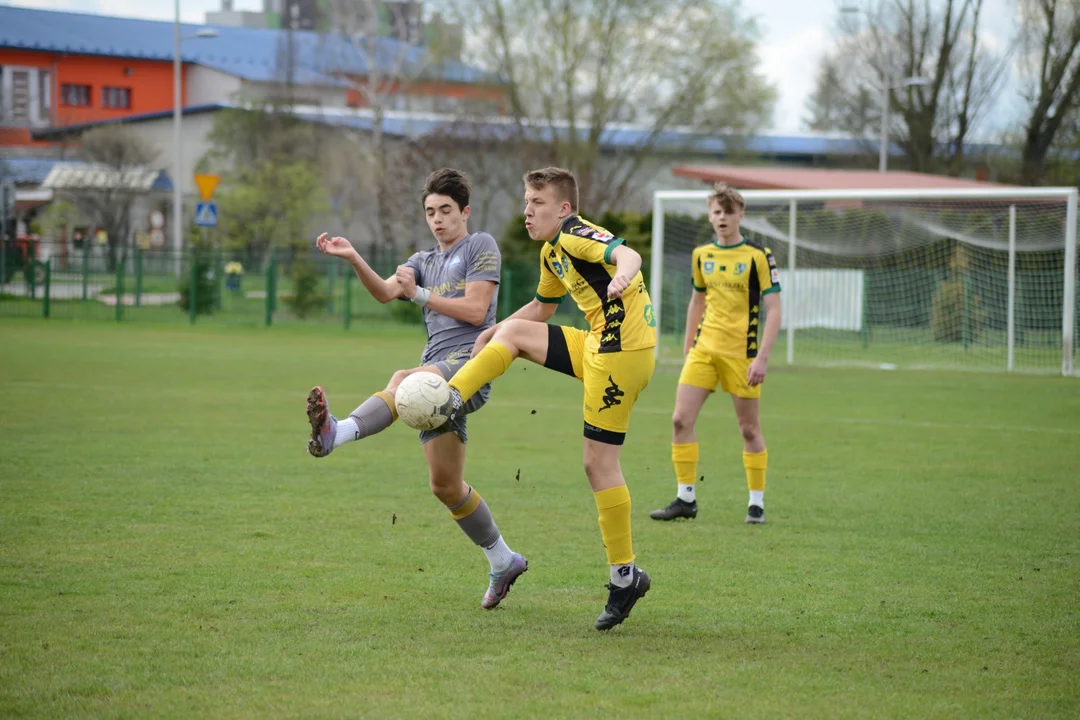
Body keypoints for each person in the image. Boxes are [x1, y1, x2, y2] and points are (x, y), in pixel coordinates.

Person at [440, 167, 656, 631]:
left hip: (624, 354)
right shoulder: (551, 251)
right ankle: (451, 395)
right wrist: (490, 333)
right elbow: (542, 308)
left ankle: (625, 579)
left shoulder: (577, 235)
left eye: (536, 203)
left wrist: (622, 275)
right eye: (525, 202)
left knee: (598, 464)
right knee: (516, 330)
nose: (526, 211)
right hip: (600, 343)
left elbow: (630, 255)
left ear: (563, 209)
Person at [305, 168, 528, 610]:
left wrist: (422, 296)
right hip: (435, 377)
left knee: (404, 380)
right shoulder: (422, 259)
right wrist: (353, 258)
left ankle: (336, 432)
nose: (438, 219)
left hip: (472, 364)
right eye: (430, 212)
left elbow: (477, 308)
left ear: (464, 211)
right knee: (445, 486)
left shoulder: (480, 245)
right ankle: (503, 561)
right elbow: (389, 293)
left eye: (446, 210)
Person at [649, 183, 782, 524]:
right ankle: (685, 498)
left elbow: (774, 308)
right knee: (680, 419)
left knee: (748, 429)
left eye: (728, 211)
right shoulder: (701, 254)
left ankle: (756, 503)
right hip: (704, 350)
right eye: (716, 212)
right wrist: (688, 344)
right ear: (710, 215)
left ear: (741, 215)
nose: (722, 217)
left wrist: (763, 357)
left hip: (742, 354)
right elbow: (697, 300)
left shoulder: (758, 256)